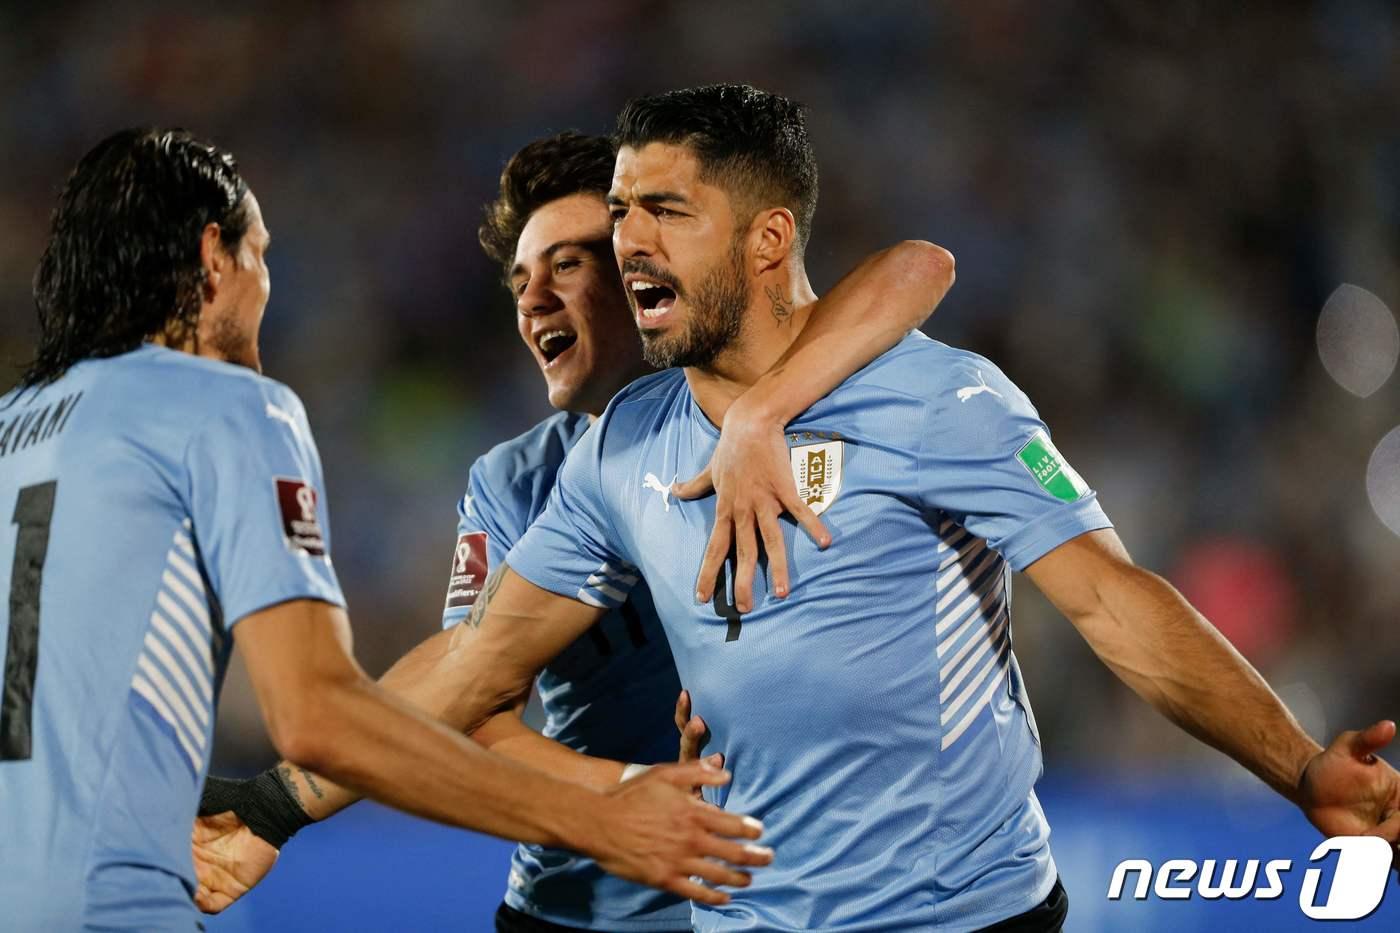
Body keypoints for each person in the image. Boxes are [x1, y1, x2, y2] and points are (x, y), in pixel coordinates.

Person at [196, 83, 1400, 932]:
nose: (625, 243)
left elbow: (1113, 604)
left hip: (963, 920)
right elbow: (477, 662)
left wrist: (1296, 770)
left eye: (665, 209)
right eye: (620, 212)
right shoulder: (623, 449)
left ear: (768, 239)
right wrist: (272, 810)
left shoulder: (941, 398)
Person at [0, 127, 772, 933]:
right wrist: (605, 814)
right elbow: (341, 707)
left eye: (568, 263)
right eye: (263, 256)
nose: (269, 292)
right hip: (121, 904)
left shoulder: (10, 430)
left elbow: (910, 272)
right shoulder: (229, 407)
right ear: (215, 258)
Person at [193, 129, 954, 932]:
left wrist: (764, 410)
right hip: (579, 906)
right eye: (521, 278)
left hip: (776, 901)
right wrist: (630, 795)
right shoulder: (514, 482)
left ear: (644, 267)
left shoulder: (781, 404)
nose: (531, 299)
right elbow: (471, 691)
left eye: (567, 264)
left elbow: (919, 266)